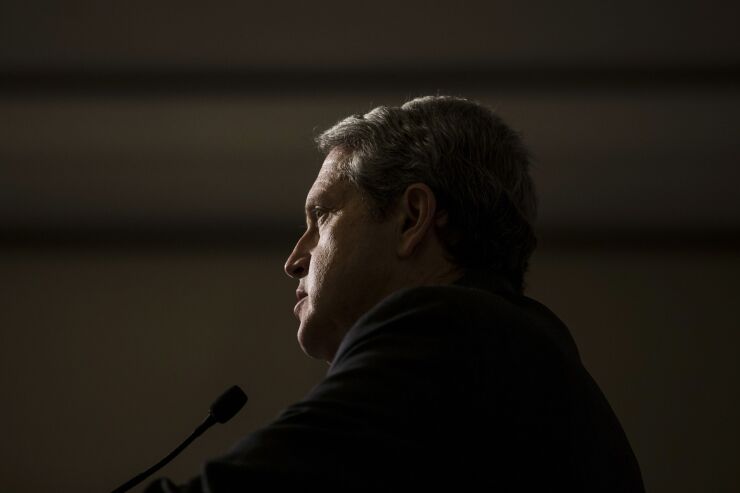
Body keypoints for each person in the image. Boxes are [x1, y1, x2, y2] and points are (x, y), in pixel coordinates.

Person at [146, 96, 645, 492]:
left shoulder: (445, 332)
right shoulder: (519, 355)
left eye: (321, 217)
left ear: (411, 219)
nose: (295, 258)